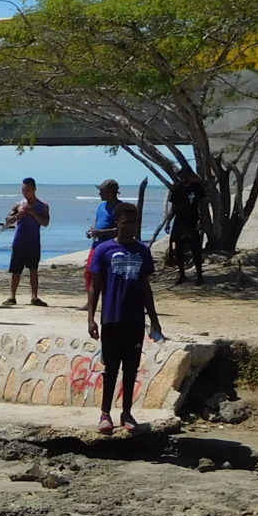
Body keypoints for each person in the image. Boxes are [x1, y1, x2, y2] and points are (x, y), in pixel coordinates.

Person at [83, 203, 164, 434]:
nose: (129, 227)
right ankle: (105, 413)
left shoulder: (142, 251)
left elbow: (146, 288)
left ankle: (127, 412)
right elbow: (94, 287)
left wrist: (154, 319)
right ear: (117, 222)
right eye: (125, 222)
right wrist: (91, 318)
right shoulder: (104, 250)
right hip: (111, 318)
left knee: (131, 368)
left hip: (135, 319)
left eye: (133, 222)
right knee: (110, 368)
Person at [0, 177, 51, 307]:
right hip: (19, 242)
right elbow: (7, 219)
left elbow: (45, 223)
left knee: (33, 269)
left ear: (34, 189)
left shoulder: (42, 206)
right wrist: (18, 216)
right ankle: (12, 296)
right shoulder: (18, 204)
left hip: (33, 242)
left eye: (27, 190)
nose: (25, 193)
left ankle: (34, 297)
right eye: (23, 190)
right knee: (16, 271)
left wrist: (33, 213)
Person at [164, 169, 207, 285]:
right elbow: (173, 208)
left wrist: (202, 221)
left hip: (192, 221)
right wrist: (168, 222)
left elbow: (202, 206)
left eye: (185, 175)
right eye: (181, 176)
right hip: (179, 222)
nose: (183, 178)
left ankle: (199, 275)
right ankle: (182, 275)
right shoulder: (178, 188)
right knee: (179, 250)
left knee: (195, 249)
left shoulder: (197, 188)